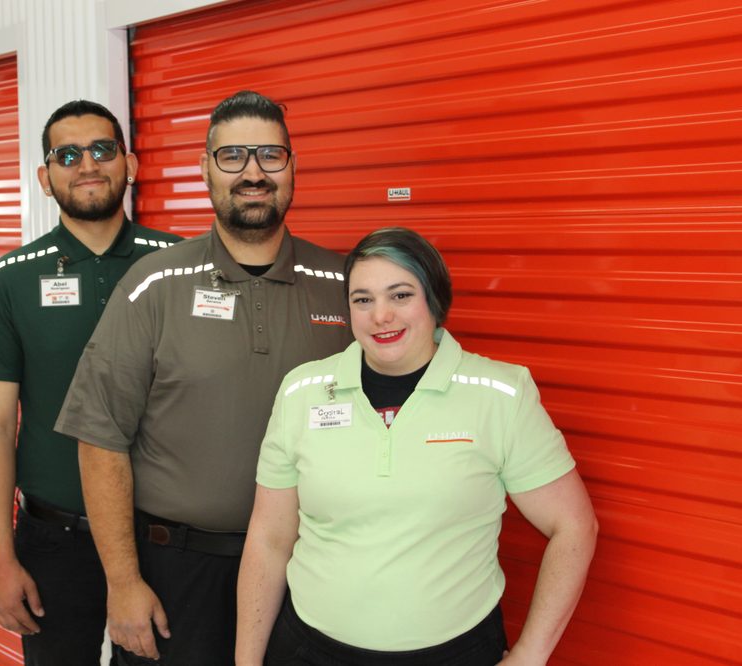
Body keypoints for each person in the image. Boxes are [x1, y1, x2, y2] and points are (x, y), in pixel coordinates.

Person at [54, 90, 353, 665]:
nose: (253, 173)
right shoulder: (153, 286)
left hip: (310, 568)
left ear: (292, 166)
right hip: (177, 574)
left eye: (270, 155)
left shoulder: (343, 286)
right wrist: (123, 583)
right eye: (232, 156)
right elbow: (99, 440)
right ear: (205, 169)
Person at [237, 227, 599, 666]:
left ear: (435, 299)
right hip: (309, 651)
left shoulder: (502, 395)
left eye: (401, 295)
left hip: (456, 654)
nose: (381, 316)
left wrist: (531, 654)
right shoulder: (302, 391)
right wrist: (246, 661)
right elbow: (269, 539)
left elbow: (573, 526)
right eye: (363, 299)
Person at [0, 100, 180, 665]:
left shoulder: (179, 267)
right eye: (68, 155)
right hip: (55, 541)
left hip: (167, 539)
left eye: (103, 149)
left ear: (130, 164)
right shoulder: (4, 284)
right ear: (45, 177)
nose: (87, 165)